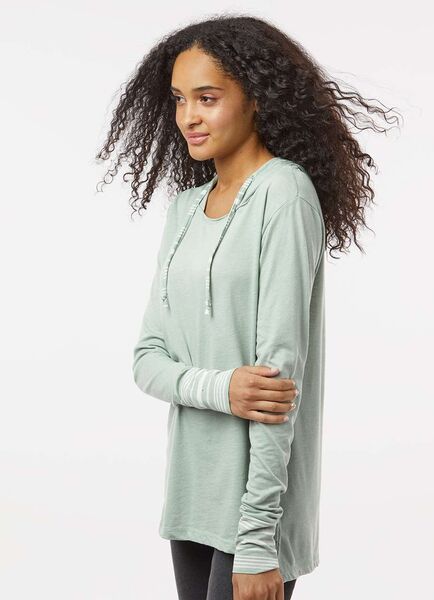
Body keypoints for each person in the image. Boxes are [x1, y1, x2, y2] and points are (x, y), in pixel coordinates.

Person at [96, 13, 399, 600]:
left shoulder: (284, 193)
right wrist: (223, 388)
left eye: (207, 98)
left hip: (257, 513)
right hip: (192, 495)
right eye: (180, 99)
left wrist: (260, 539)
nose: (188, 116)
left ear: (256, 99)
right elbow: (146, 360)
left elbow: (277, 383)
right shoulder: (184, 210)